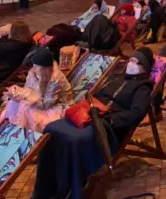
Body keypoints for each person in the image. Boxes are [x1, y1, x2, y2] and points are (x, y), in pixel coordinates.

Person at [32, 48, 155, 199]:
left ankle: (73, 187)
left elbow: (136, 114)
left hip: (107, 125)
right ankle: (47, 187)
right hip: (89, 114)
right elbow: (97, 95)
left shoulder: (143, 88)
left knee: (75, 140)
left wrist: (111, 119)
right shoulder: (117, 78)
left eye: (137, 62)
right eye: (131, 60)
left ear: (144, 68)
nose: (131, 63)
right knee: (52, 129)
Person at [1, 47, 73, 133]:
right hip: (40, 100)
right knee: (14, 103)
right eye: (33, 64)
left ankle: (24, 135)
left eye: (37, 65)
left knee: (25, 108)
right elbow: (28, 88)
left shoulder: (55, 80)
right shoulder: (34, 73)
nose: (34, 67)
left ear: (45, 68)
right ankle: (13, 130)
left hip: (55, 105)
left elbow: (46, 104)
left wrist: (26, 98)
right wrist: (18, 94)